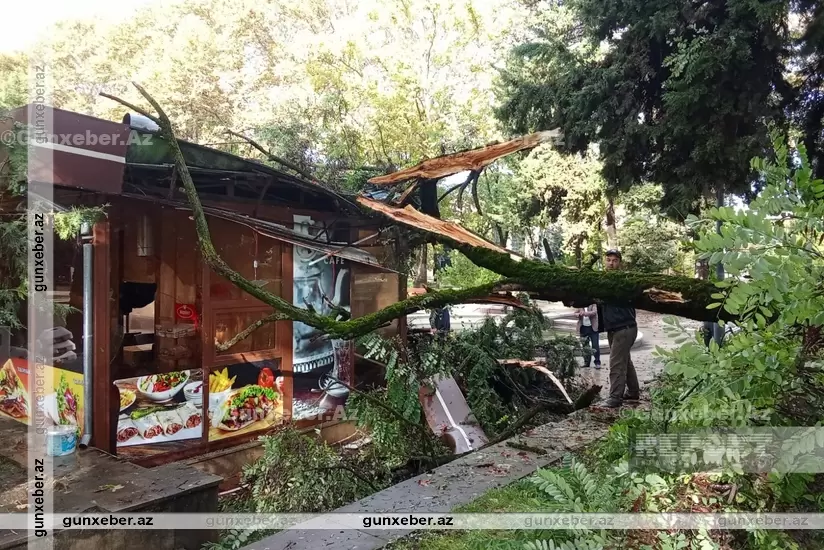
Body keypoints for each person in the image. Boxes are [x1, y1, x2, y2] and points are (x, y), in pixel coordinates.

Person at [598, 249, 640, 408]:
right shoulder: (601, 280)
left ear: (620, 262)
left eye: (614, 260)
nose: (611, 263)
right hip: (614, 328)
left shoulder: (623, 281)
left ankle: (615, 398)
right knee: (625, 361)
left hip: (625, 327)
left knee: (616, 363)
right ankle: (633, 392)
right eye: (608, 260)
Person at [575, 304, 601, 368]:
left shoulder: (593, 304)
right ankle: (587, 362)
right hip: (583, 328)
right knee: (585, 346)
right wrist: (577, 314)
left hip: (593, 328)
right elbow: (575, 313)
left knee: (595, 345)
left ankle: (597, 362)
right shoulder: (580, 304)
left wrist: (585, 313)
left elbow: (594, 312)